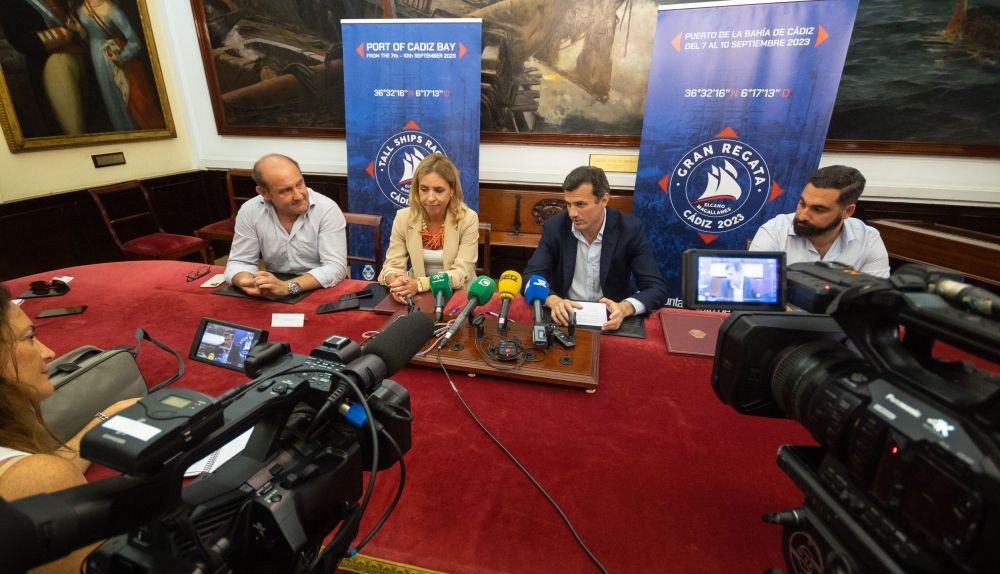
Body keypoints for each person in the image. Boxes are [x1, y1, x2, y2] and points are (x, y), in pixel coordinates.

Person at [0, 283, 139, 573]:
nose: (49, 352)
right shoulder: (36, 478)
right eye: (29, 337)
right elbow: (33, 479)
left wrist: (103, 420)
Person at [523, 166, 667, 331]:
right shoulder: (555, 227)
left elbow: (656, 289)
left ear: (604, 200)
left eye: (580, 204)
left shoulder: (629, 229)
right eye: (568, 204)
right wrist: (553, 300)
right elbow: (530, 277)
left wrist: (625, 308)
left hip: (611, 320)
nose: (572, 213)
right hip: (565, 317)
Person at [225, 154, 348, 297]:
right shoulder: (250, 211)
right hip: (275, 286)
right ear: (264, 193)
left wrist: (288, 287)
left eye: (299, 184)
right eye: (286, 190)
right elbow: (240, 261)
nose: (299, 196)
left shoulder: (327, 209)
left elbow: (335, 267)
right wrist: (245, 280)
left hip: (321, 286)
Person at [750, 165, 890, 278]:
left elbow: (876, 299)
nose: (802, 216)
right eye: (802, 204)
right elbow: (754, 289)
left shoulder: (868, 240)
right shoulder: (774, 231)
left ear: (847, 212)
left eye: (818, 209)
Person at [378, 154, 480, 304]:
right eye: (424, 189)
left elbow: (461, 272)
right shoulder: (403, 217)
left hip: (458, 296)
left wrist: (420, 284)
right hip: (417, 296)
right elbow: (391, 265)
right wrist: (397, 284)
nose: (430, 198)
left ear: (452, 191)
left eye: (439, 190)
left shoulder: (468, 219)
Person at [72, 0, 164, 131]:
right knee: (110, 101)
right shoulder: (81, 8)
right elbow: (89, 37)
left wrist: (121, 57)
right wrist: (80, 30)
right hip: (96, 60)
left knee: (121, 100)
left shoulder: (112, 11)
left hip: (112, 62)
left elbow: (135, 42)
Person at [0, 0, 87, 136]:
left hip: (85, 54)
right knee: (73, 129)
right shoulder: (9, 3)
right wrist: (60, 35)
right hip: (50, 62)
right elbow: (21, 41)